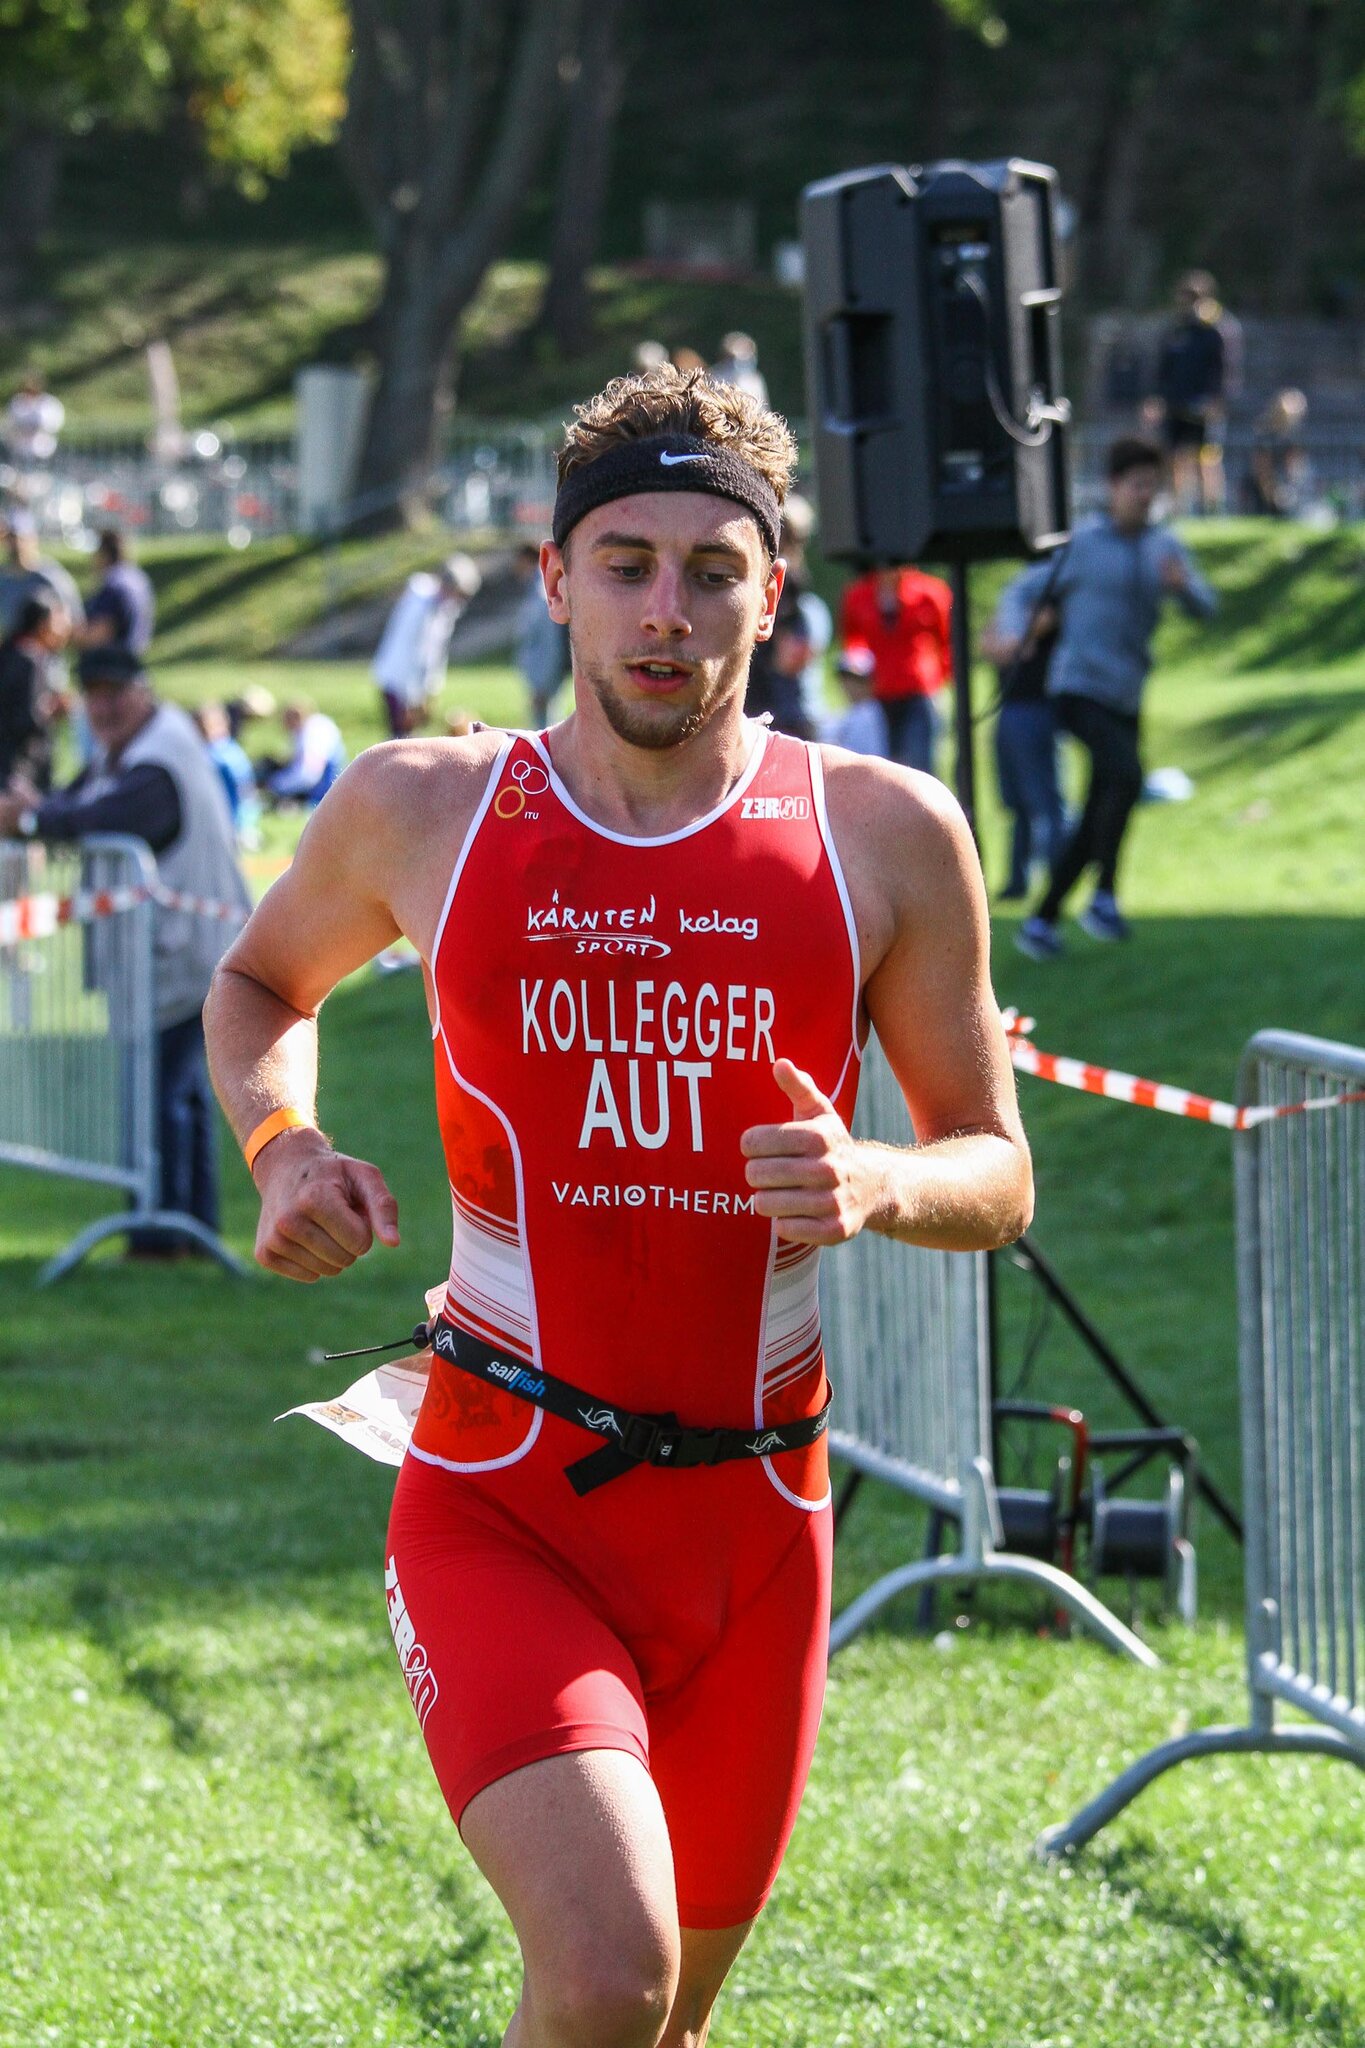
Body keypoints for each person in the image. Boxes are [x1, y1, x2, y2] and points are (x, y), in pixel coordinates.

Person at [203, 362, 1032, 2048]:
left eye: (711, 570)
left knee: (662, 2025)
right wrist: (286, 1144)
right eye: (629, 564)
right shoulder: (427, 807)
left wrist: (882, 1180)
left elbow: (996, 1166)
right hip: (503, 1496)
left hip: (756, 1530)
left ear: (772, 590)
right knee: (605, 1973)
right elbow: (255, 980)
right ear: (557, 580)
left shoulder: (882, 833)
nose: (668, 612)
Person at [0, 646, 249, 1249]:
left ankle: (161, 1240)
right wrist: (42, 812)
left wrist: (30, 821)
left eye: (115, 692)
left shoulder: (158, 756)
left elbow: (113, 816)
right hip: (183, 953)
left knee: (159, 1100)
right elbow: (73, 801)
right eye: (94, 694)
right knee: (178, 1097)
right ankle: (187, 1233)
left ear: (143, 690)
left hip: (183, 954)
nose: (104, 706)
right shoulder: (130, 749)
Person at [1011, 437, 1217, 959]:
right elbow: (1023, 589)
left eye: (1153, 485)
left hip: (1127, 695)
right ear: (1113, 488)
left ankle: (1041, 921)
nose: (1145, 495)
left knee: (1105, 798)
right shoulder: (1084, 544)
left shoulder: (1164, 548)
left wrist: (1185, 588)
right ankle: (1103, 896)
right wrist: (1020, 630)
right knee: (1125, 776)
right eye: (1136, 485)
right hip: (1077, 689)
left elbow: (1207, 608)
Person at [981, 560, 1066, 900]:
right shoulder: (1016, 601)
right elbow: (990, 643)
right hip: (1010, 708)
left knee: (1045, 800)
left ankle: (1059, 875)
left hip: (1036, 707)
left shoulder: (1053, 601)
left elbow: (1017, 640)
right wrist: (1009, 643)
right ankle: (1018, 881)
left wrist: (1011, 642)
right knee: (1015, 802)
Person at [838, 562, 953, 774]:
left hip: (918, 693)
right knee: (880, 768)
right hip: (878, 695)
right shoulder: (858, 595)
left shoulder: (931, 592)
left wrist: (940, 680)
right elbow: (852, 643)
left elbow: (947, 643)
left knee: (918, 769)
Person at [1144, 270, 1239, 516]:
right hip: (1176, 403)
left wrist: (1217, 400)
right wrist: (1157, 398)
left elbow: (1226, 368)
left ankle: (1212, 510)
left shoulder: (1217, 328)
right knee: (1174, 457)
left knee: (1206, 458)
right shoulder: (1177, 329)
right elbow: (1164, 368)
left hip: (1204, 405)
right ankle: (1178, 510)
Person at [372, 555, 482, 739]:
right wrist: (410, 699)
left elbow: (436, 654)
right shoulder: (418, 605)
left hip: (416, 686)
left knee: (413, 738)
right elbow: (409, 653)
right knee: (399, 740)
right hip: (398, 682)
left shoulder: (445, 609)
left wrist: (430, 691)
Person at [0, 591, 69, 792]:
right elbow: (25, 718)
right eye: (58, 619)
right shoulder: (30, 660)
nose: (64, 627)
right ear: (42, 624)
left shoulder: (10, 652)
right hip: (21, 770)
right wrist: (55, 708)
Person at [513, 541, 571, 727]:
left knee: (548, 730)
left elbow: (551, 644)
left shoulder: (541, 595)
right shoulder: (534, 591)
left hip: (544, 679)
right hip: (539, 677)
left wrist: (544, 684)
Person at [75, 529, 156, 657]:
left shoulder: (113, 584)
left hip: (110, 670)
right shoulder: (138, 578)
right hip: (134, 664)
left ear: (104, 554)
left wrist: (67, 633)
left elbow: (97, 634)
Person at [257, 700, 346, 807]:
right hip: (320, 782)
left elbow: (308, 774)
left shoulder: (313, 733)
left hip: (323, 789)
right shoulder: (314, 726)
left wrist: (275, 785)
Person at [195, 701, 261, 846]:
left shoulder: (223, 755)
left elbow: (245, 792)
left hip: (231, 825)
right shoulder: (219, 750)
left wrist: (244, 825)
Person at [820, 646, 889, 757]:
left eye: (857, 680)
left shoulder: (869, 713)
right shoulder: (847, 712)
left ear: (870, 682)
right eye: (845, 677)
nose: (850, 685)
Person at [6, 371, 64, 467]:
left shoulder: (49, 404)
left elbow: (54, 425)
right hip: (21, 452)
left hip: (43, 451)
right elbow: (10, 424)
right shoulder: (17, 403)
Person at [709, 331, 768, 407]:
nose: (743, 360)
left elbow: (764, 408)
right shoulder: (714, 377)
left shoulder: (755, 380)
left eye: (747, 356)